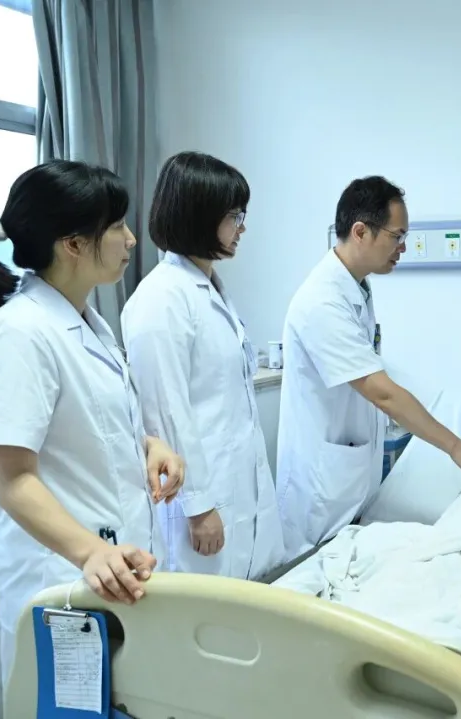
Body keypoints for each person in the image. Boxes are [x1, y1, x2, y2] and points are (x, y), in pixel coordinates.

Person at [0, 160, 184, 684]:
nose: (131, 239)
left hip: (113, 570)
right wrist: (91, 551)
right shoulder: (19, 334)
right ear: (74, 245)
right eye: (117, 227)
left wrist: (147, 444)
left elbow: (88, 425)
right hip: (64, 580)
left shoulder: (87, 321)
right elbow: (10, 478)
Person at [276, 176, 461, 560]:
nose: (403, 247)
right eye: (397, 236)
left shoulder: (356, 289)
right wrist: (455, 447)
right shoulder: (322, 302)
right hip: (320, 491)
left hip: (347, 478)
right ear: (360, 232)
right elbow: (382, 392)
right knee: (314, 575)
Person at [121, 151, 286, 580]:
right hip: (197, 503)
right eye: (234, 216)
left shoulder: (208, 290)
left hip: (235, 486)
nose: (242, 227)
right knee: (204, 611)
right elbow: (165, 411)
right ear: (199, 216)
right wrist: (198, 506)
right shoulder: (161, 299)